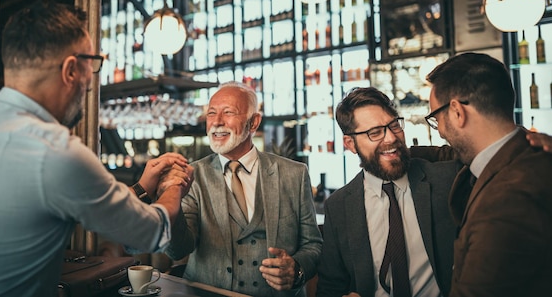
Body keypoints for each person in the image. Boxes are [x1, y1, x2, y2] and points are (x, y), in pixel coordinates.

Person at [0, 0, 192, 297]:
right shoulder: (55, 151)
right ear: (70, 70)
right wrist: (174, 185)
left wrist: (142, 187)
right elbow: (152, 233)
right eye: (92, 64)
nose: (91, 81)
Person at [165, 81, 323, 297]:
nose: (217, 122)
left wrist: (296, 269)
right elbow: (178, 250)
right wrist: (170, 201)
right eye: (211, 113)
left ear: (253, 122)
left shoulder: (294, 174)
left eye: (228, 112)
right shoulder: (192, 176)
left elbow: (313, 245)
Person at [425, 52, 552, 297]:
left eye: (436, 118)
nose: (440, 130)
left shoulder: (505, 200)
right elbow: (445, 155)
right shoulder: (530, 153)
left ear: (457, 112)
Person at [316, 87, 458, 297]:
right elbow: (330, 287)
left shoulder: (445, 180)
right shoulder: (338, 207)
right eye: (375, 132)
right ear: (350, 144)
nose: (391, 138)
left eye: (394, 125)